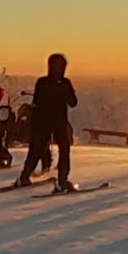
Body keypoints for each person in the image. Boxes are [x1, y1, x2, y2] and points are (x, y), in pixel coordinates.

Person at [17, 53, 78, 190]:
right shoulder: (65, 83)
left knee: (36, 149)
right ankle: (62, 180)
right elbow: (73, 103)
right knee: (64, 148)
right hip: (59, 121)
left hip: (42, 121)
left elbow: (36, 101)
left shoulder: (42, 82)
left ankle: (24, 176)